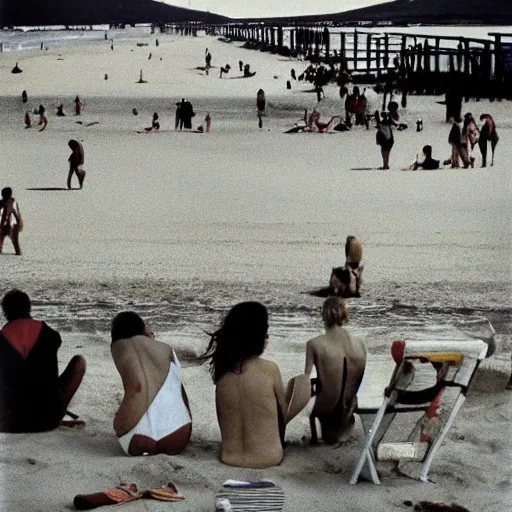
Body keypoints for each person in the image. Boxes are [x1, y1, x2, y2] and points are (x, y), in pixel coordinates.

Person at [199, 302, 308, 469]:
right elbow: (280, 417)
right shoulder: (270, 369)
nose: (268, 336)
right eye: (265, 331)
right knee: (303, 383)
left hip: (229, 458)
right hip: (268, 459)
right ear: (257, 336)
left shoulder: (222, 375)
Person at [0, 290, 86, 432]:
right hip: (47, 420)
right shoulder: (51, 335)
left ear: (5, 312)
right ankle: (59, 414)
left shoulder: (2, 337)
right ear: (29, 308)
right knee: (79, 362)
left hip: (7, 423)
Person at [110, 312, 192, 456]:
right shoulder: (166, 348)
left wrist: (119, 425)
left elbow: (137, 389)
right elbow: (180, 391)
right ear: (142, 327)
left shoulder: (118, 346)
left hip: (139, 439)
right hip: (178, 435)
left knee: (122, 423)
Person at [305, 297, 366, 444]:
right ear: (344, 315)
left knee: (329, 436)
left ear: (323, 316)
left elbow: (305, 380)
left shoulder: (313, 343)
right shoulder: (360, 344)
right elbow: (359, 381)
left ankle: (314, 436)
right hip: (349, 411)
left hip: (325, 411)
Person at [0, 187, 22, 256]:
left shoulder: (12, 203)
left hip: (12, 225)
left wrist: (19, 224)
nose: (3, 196)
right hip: (4, 224)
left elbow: (15, 214)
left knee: (15, 241)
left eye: (4, 195)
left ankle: (18, 253)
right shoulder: (2, 202)